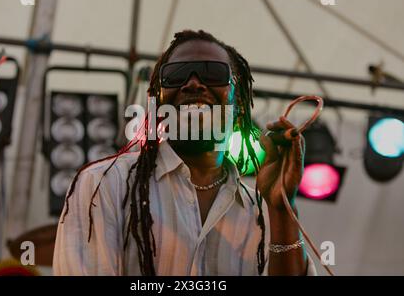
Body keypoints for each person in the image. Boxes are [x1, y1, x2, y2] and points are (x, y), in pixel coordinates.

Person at [53, 29, 316, 276]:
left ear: (240, 108)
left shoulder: (265, 213)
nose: (193, 83)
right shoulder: (104, 184)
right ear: (158, 101)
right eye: (176, 75)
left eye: (213, 73)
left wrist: (282, 208)